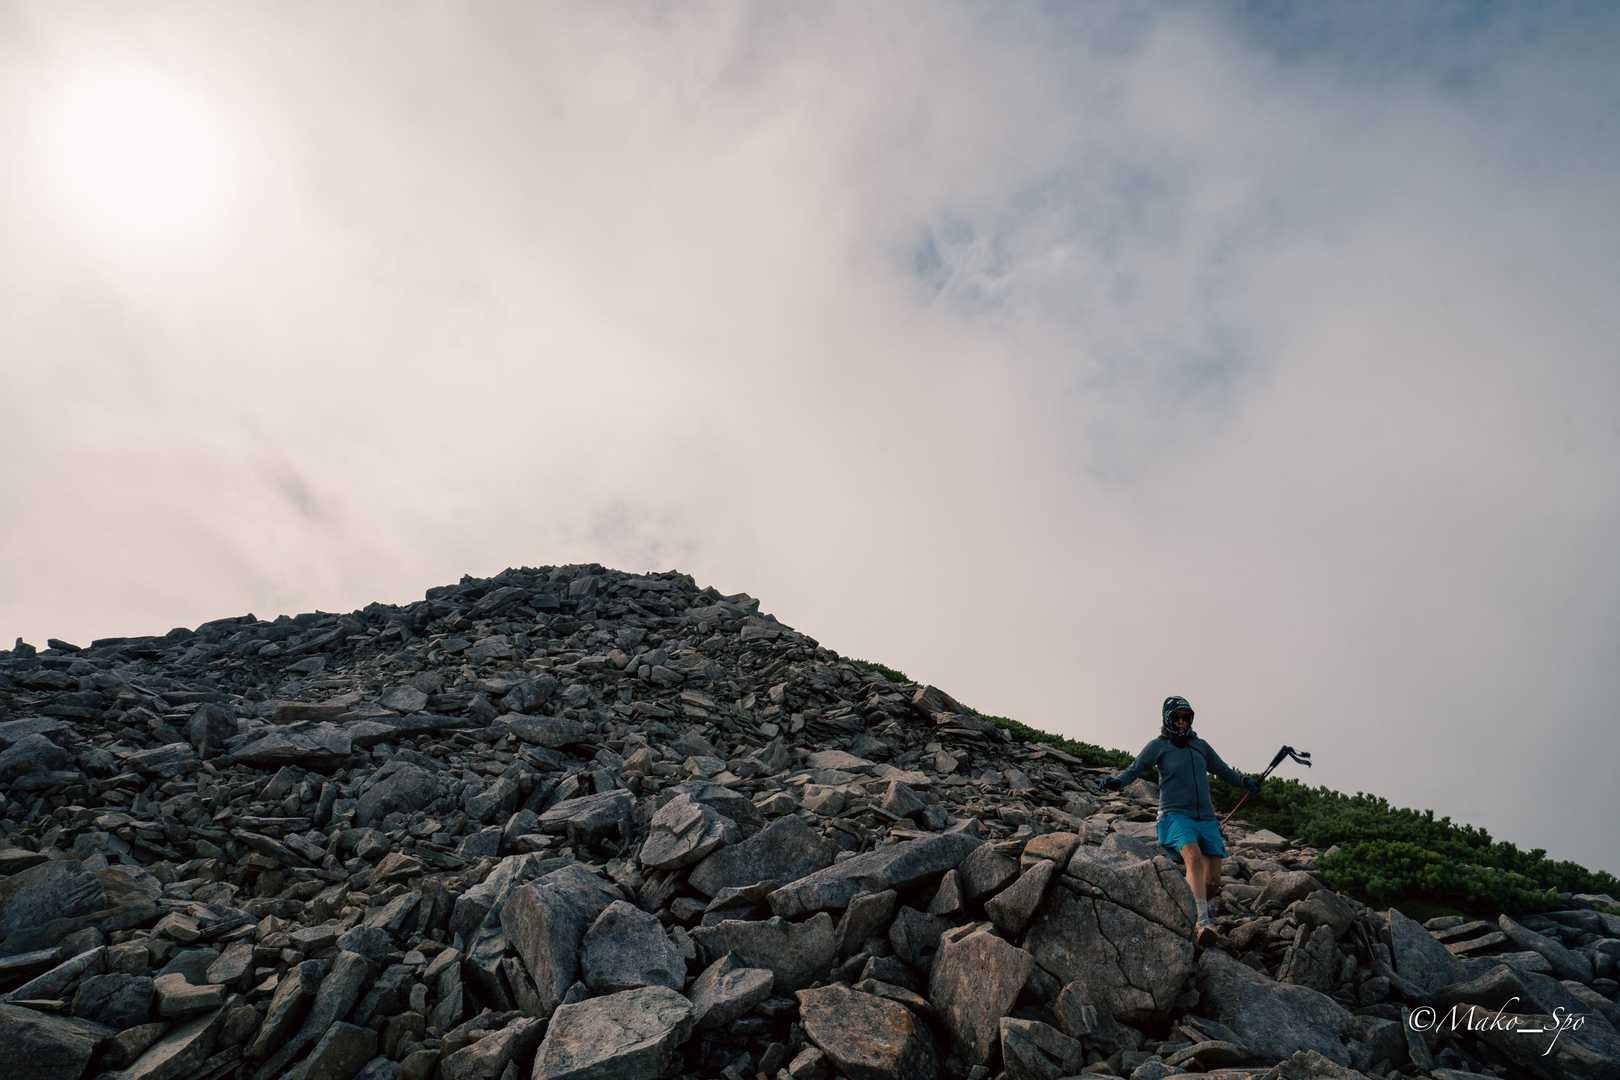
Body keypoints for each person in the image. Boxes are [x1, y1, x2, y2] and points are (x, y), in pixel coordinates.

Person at [1102, 695, 1261, 947]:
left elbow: (1223, 770)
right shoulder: (1158, 746)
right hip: (1174, 815)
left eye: (1186, 717)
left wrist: (1244, 782)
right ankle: (1202, 924)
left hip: (1206, 819)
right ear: (1167, 719)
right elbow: (1135, 768)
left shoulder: (1201, 746)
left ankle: (1189, 907)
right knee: (1193, 857)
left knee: (1213, 882)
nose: (1181, 722)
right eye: (1176, 717)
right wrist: (1117, 781)